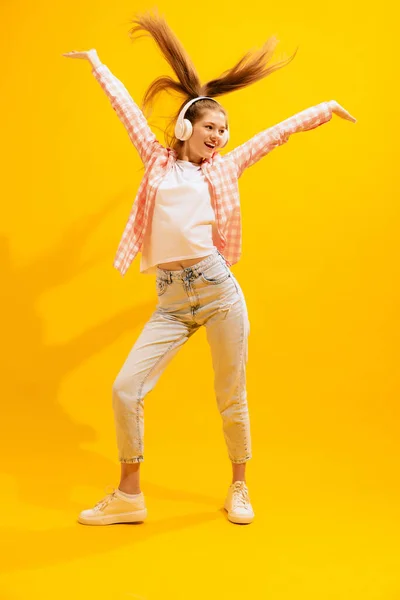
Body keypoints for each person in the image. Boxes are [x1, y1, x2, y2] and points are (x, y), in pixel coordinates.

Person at [63, 10, 356, 527]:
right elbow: (127, 111)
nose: (219, 135)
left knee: (230, 395)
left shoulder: (223, 166)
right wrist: (96, 65)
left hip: (218, 291)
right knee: (124, 389)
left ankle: (239, 487)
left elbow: (274, 135)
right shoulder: (157, 162)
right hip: (172, 300)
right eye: (210, 127)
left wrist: (324, 109)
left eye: (224, 129)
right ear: (185, 127)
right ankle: (129, 495)